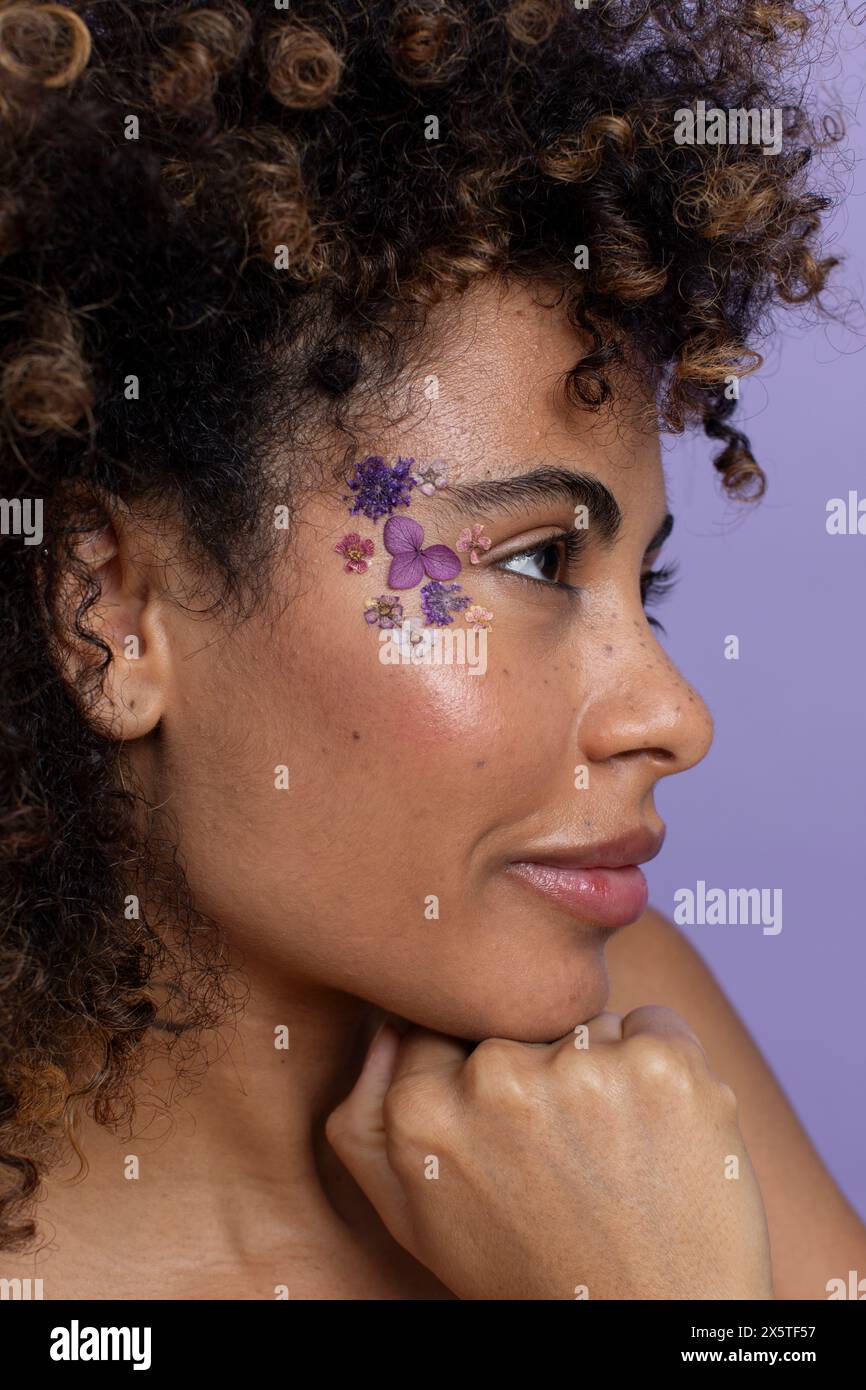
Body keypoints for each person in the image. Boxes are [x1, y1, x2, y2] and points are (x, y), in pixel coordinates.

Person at [1, 0, 863, 1299]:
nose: (674, 717)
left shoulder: (614, 1068)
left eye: (651, 583)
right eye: (534, 564)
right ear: (107, 611)